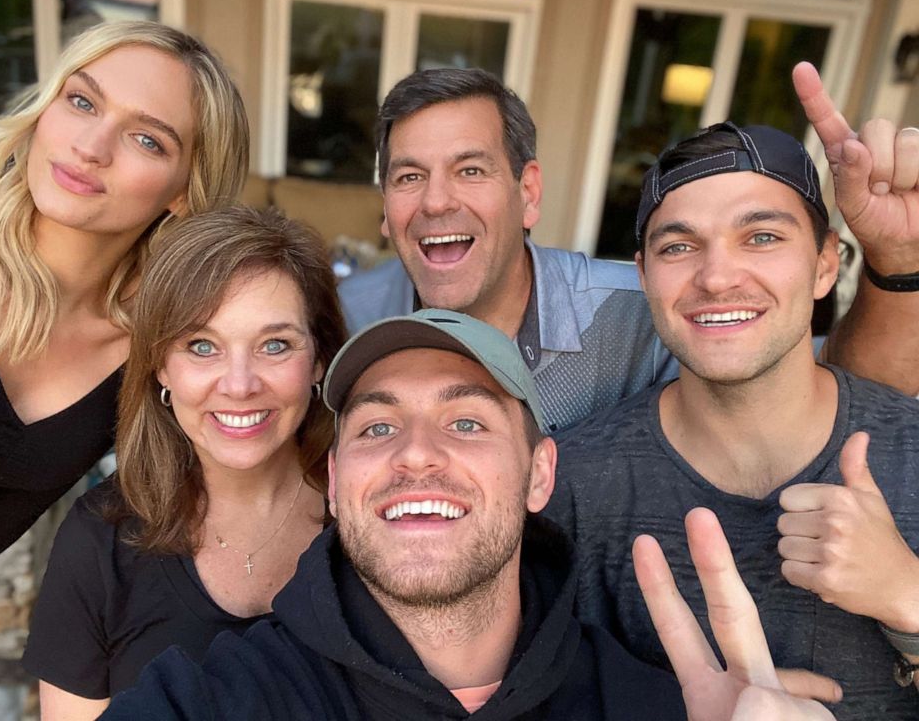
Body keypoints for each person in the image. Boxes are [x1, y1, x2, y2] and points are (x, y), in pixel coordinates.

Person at [99, 309, 838, 720]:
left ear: (539, 474)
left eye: (468, 424)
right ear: (333, 479)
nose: (415, 456)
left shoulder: (651, 707)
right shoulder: (226, 698)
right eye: (378, 428)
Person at [547, 122, 919, 719]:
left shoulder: (913, 452)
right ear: (644, 276)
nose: (717, 277)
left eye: (762, 237)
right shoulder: (570, 488)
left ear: (827, 264)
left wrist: (908, 599)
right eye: (679, 246)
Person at [338, 65, 919, 434]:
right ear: (386, 206)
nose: (436, 202)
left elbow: (843, 395)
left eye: (470, 169)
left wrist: (896, 259)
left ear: (528, 192)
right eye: (409, 177)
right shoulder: (344, 316)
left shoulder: (639, 311)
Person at [0, 21, 249, 597]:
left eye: (147, 139)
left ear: (183, 190)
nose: (91, 148)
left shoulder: (144, 358)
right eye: (82, 101)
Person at [19, 206, 347, 719]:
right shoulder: (100, 544)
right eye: (202, 346)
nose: (239, 385)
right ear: (160, 367)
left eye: (275, 345)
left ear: (320, 359)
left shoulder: (372, 522)